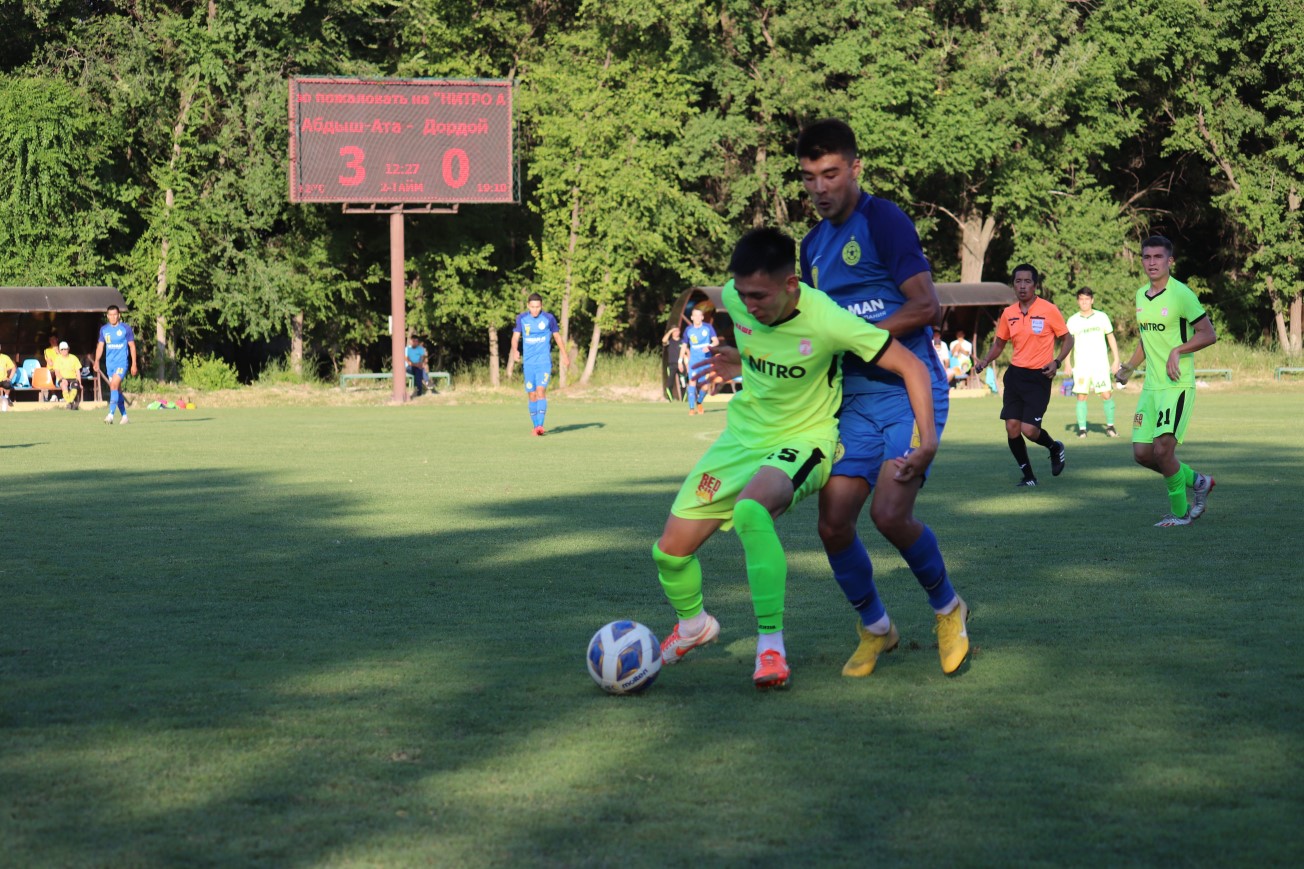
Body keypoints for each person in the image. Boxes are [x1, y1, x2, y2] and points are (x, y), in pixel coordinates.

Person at [654, 227, 938, 689]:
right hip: (741, 438)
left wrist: (927, 440)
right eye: (742, 294)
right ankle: (693, 625)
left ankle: (770, 648)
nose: (748, 305)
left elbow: (911, 365)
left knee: (750, 511)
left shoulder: (827, 318)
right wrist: (741, 362)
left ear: (791, 285)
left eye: (759, 296)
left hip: (805, 440)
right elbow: (765, 348)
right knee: (669, 552)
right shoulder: (736, 298)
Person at [795, 119, 969, 678]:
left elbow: (926, 306)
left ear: (855, 168)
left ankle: (949, 608)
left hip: (909, 392)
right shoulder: (811, 247)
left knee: (890, 514)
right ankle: (876, 627)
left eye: (830, 174)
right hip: (854, 403)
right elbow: (815, 331)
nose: (819, 188)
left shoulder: (884, 220)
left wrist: (858, 337)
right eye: (809, 178)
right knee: (832, 523)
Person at [1115, 235, 1217, 527]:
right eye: (1147, 257)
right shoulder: (1140, 296)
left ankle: (1180, 512)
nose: (1152, 262)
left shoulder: (1182, 294)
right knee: (1143, 454)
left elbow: (1208, 334)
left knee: (1163, 450)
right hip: (1151, 387)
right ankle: (1199, 482)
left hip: (1176, 385)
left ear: (1170, 261)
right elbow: (1146, 339)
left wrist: (1178, 350)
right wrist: (1130, 367)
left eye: (1158, 257)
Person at [974, 265, 1073, 487]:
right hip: (1015, 376)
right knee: (1012, 427)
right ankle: (1028, 477)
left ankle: (1054, 447)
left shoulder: (1049, 310)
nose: (1022, 286)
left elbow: (1068, 339)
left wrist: (1057, 362)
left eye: (1027, 281)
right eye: (1018, 281)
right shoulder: (1008, 313)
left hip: (1039, 377)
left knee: (1029, 430)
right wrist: (985, 360)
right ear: (1013, 285)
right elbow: (999, 343)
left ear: (1035, 285)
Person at [508, 292, 572, 436]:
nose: (535, 310)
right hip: (528, 363)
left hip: (543, 362)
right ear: (528, 306)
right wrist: (515, 350)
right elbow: (515, 337)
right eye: (532, 307)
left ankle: (540, 426)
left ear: (541, 306)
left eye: (537, 307)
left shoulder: (549, 318)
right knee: (531, 394)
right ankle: (535, 425)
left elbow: (557, 337)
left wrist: (564, 355)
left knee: (540, 391)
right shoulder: (522, 319)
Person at [1065, 287, 1122, 438]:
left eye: (1087, 299)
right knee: (1081, 396)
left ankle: (1110, 427)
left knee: (1106, 394)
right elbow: (1068, 343)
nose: (1084, 302)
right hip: (1081, 365)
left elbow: (1111, 337)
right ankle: (1082, 430)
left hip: (1100, 365)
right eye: (1081, 299)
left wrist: (1116, 359)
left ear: (1092, 300)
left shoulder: (1102, 317)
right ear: (1078, 301)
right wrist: (1067, 362)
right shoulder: (1072, 320)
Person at [94, 304, 138, 425]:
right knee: (117, 390)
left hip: (122, 363)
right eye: (110, 315)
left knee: (113, 385)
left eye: (115, 315)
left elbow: (132, 346)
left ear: (119, 315)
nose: (113, 317)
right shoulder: (104, 330)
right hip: (110, 364)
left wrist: (134, 364)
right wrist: (97, 360)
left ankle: (110, 415)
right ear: (107, 316)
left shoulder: (125, 328)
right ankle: (124, 416)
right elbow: (100, 346)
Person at [680, 307, 719, 415]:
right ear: (692, 317)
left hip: (706, 360)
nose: (697, 317)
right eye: (695, 315)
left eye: (699, 315)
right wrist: (680, 360)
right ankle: (691, 409)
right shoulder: (688, 330)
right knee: (692, 382)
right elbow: (684, 345)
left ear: (702, 317)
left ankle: (699, 402)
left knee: (705, 386)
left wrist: (710, 346)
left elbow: (716, 341)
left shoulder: (708, 327)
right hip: (694, 361)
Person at [49, 341, 83, 409]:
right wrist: (62, 379)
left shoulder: (74, 358)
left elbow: (78, 372)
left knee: (75, 386)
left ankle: (69, 401)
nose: (64, 351)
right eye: (62, 349)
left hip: (73, 378)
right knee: (64, 385)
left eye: (65, 349)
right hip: (62, 378)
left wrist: (80, 383)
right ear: (60, 350)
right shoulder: (57, 359)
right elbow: (57, 372)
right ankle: (69, 402)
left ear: (68, 349)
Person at [661, 324, 687, 401]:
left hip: (681, 365)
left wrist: (687, 364)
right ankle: (670, 399)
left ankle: (683, 400)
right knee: (670, 383)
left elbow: (687, 352)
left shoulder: (682, 342)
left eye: (677, 331)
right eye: (674, 331)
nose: (676, 332)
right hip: (671, 365)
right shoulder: (669, 342)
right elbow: (664, 341)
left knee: (683, 383)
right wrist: (670, 331)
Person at [0, 343, 16, 412]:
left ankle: (6, 397)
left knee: (8, 384)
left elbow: (13, 368)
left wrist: (10, 378)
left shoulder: (5, 357)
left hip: (3, 380)